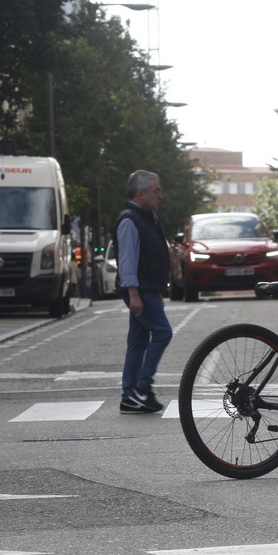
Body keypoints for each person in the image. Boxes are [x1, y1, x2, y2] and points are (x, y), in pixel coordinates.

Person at [113, 170, 173, 414]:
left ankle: (130, 396)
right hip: (139, 289)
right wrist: (133, 293)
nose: (161, 195)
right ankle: (141, 388)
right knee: (162, 333)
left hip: (147, 288)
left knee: (137, 341)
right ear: (141, 193)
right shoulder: (130, 220)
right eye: (156, 190)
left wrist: (155, 290)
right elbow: (128, 260)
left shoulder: (148, 218)